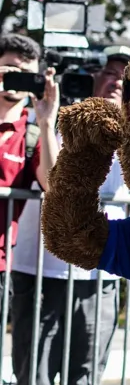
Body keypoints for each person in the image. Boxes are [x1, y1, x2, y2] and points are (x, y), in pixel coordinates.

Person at [8, 48, 130, 385]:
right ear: (94, 78)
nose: (116, 80)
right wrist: (47, 120)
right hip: (39, 268)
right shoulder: (64, 121)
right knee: (36, 373)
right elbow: (50, 180)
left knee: (85, 376)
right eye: (109, 72)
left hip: (98, 273)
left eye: (127, 76)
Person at [0, 34, 59, 274]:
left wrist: (47, 121)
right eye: (11, 69)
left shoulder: (31, 136)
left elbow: (53, 185)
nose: (16, 78)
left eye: (25, 74)